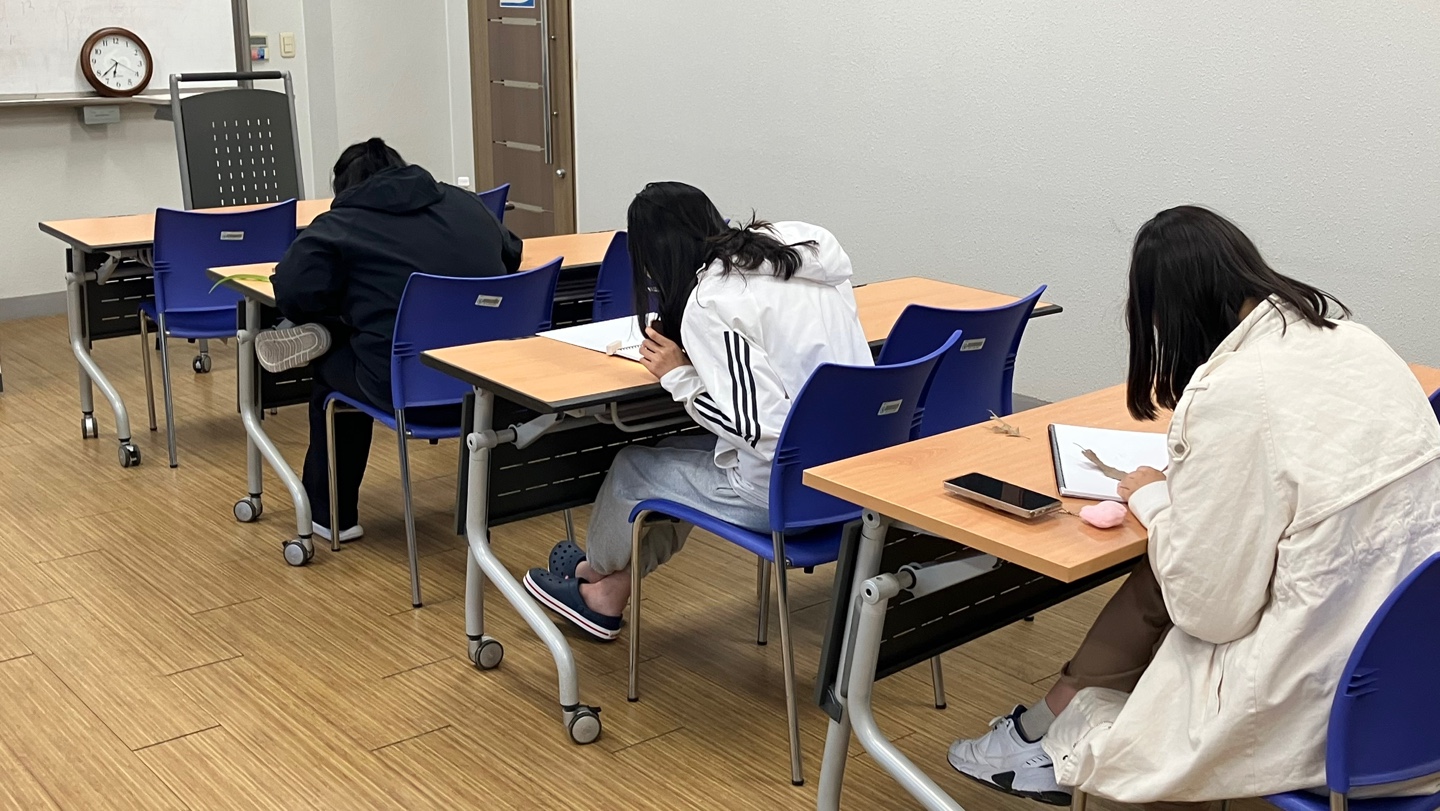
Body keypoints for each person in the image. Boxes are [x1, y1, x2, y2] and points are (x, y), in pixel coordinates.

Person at [947, 206, 1440, 810]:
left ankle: (1048, 735)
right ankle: (1042, 722)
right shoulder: (1357, 342)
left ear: (1169, 313)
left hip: (1333, 717)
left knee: (1163, 587)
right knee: (1163, 571)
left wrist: (1152, 496)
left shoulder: (1236, 391)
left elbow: (1210, 613)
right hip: (1417, 681)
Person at [521, 181, 873, 640]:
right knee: (675, 461)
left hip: (786, 492)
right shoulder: (802, 261)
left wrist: (679, 376)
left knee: (633, 468)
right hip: (853, 476)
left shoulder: (711, 302)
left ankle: (595, 572)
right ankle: (609, 591)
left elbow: (761, 430)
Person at [262, 138, 522, 542]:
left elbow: (292, 295)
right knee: (381, 321)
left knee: (331, 371)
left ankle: (330, 517)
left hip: (402, 384)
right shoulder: (467, 204)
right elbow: (512, 256)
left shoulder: (339, 225)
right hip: (490, 383)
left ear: (343, 188)